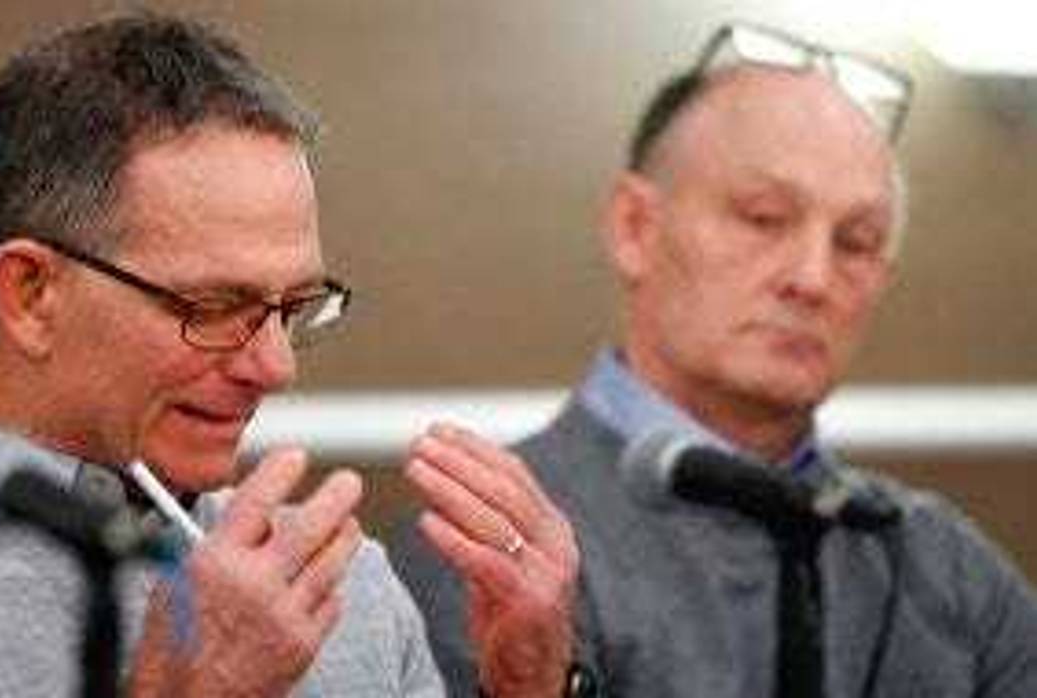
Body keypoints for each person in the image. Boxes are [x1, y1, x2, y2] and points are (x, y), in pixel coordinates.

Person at [0, 12, 577, 697]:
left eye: (292, 307)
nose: (276, 368)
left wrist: (527, 688)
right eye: (213, 306)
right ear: (31, 292)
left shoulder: (339, 586)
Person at [393, 21, 1037, 697]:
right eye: (763, 218)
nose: (812, 278)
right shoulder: (489, 545)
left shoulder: (943, 569)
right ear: (634, 227)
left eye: (856, 241)